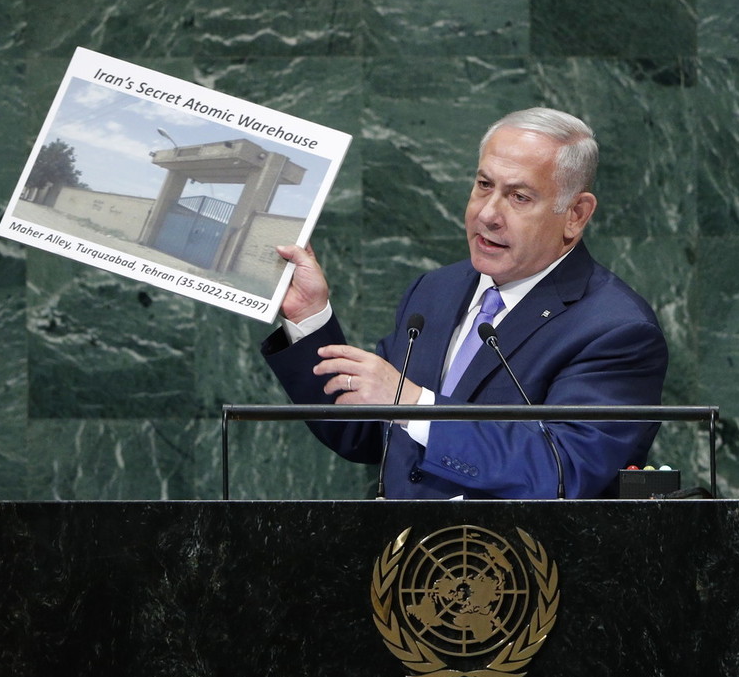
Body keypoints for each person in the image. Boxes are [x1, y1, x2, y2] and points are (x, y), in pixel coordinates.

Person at [261, 107, 668, 499]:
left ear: (576, 214)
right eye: (484, 185)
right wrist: (309, 317)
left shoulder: (616, 329)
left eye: (519, 197)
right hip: (404, 546)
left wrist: (415, 404)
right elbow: (365, 431)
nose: (488, 214)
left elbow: (565, 469)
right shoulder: (436, 290)